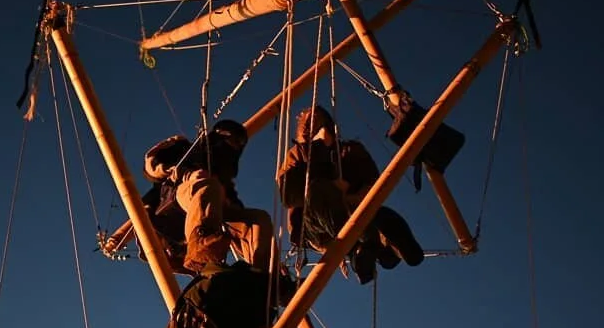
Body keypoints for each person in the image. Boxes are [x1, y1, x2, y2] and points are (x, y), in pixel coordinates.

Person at [277, 105, 424, 284]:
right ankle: (358, 251)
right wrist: (318, 147)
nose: (318, 129)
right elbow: (289, 195)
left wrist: (347, 195)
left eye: (321, 124)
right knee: (320, 190)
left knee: (381, 215)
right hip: (315, 225)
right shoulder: (298, 154)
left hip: (355, 210)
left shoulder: (350, 150)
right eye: (312, 126)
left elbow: (372, 184)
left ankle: (393, 249)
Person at [144, 119, 274, 275]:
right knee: (208, 185)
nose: (234, 146)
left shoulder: (224, 180)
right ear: (219, 135)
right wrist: (177, 171)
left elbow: (234, 207)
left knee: (258, 218)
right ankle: (201, 243)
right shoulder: (187, 150)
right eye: (231, 140)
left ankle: (263, 274)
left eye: (238, 144)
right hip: (174, 205)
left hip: (210, 206)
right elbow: (152, 167)